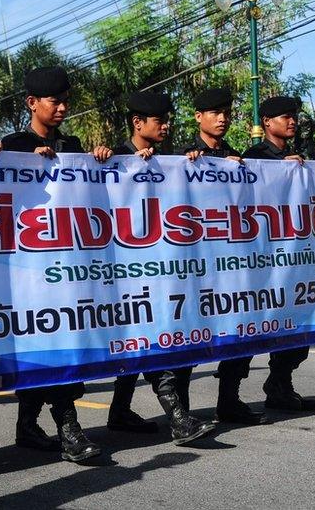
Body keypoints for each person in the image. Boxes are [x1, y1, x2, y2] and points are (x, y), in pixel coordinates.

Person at [1, 67, 107, 462]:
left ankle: (31, 425)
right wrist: (22, 161)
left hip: (65, 264)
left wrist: (98, 160)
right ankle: (67, 429)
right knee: (40, 344)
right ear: (32, 103)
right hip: (24, 266)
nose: (62, 108)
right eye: (54, 101)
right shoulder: (12, 144)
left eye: (66, 101)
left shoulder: (71, 143)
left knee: (63, 342)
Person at [105, 91, 215, 445]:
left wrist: (192, 162)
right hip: (122, 273)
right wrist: (112, 162)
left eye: (168, 120)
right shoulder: (113, 158)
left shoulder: (170, 161)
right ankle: (178, 419)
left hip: (161, 269)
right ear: (138, 123)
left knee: (144, 341)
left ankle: (120, 412)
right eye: (159, 121)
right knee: (144, 341)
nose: (166, 126)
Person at [243, 95, 315, 412]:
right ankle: (231, 397)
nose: (291, 121)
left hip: (295, 258)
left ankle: (280, 383)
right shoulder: (253, 156)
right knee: (258, 328)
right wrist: (279, 170)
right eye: (284, 116)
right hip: (264, 261)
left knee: (300, 326)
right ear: (267, 122)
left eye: (293, 116)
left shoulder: (300, 156)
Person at [180, 88, 266, 425]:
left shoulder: (236, 157)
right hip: (194, 266)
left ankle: (228, 400)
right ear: (198, 117)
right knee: (187, 339)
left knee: (240, 334)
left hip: (230, 264)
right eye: (214, 112)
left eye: (226, 112)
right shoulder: (181, 156)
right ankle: (181, 412)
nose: (222, 118)